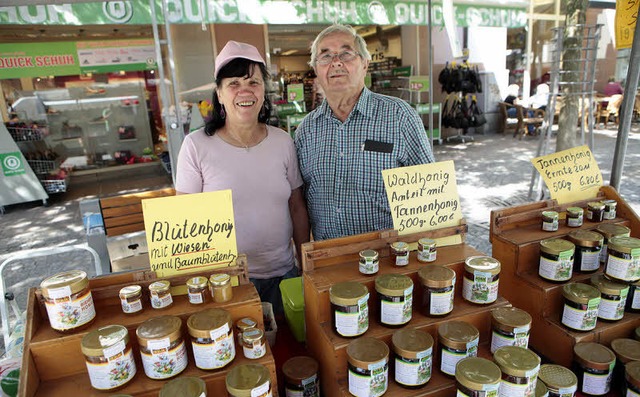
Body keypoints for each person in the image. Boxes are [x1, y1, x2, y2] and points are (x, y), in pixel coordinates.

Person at [175, 40, 310, 314]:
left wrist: (305, 262)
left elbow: (296, 206)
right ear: (220, 94)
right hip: (227, 283)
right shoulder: (196, 145)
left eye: (253, 82)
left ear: (263, 92)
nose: (244, 91)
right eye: (233, 83)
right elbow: (184, 220)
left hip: (283, 274)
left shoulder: (283, 141)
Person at [294, 24, 435, 241]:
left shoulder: (399, 116)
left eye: (346, 54)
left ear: (365, 64)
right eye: (325, 56)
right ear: (315, 69)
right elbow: (300, 201)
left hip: (388, 260)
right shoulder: (306, 130)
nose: (336, 62)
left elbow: (429, 193)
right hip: (328, 261)